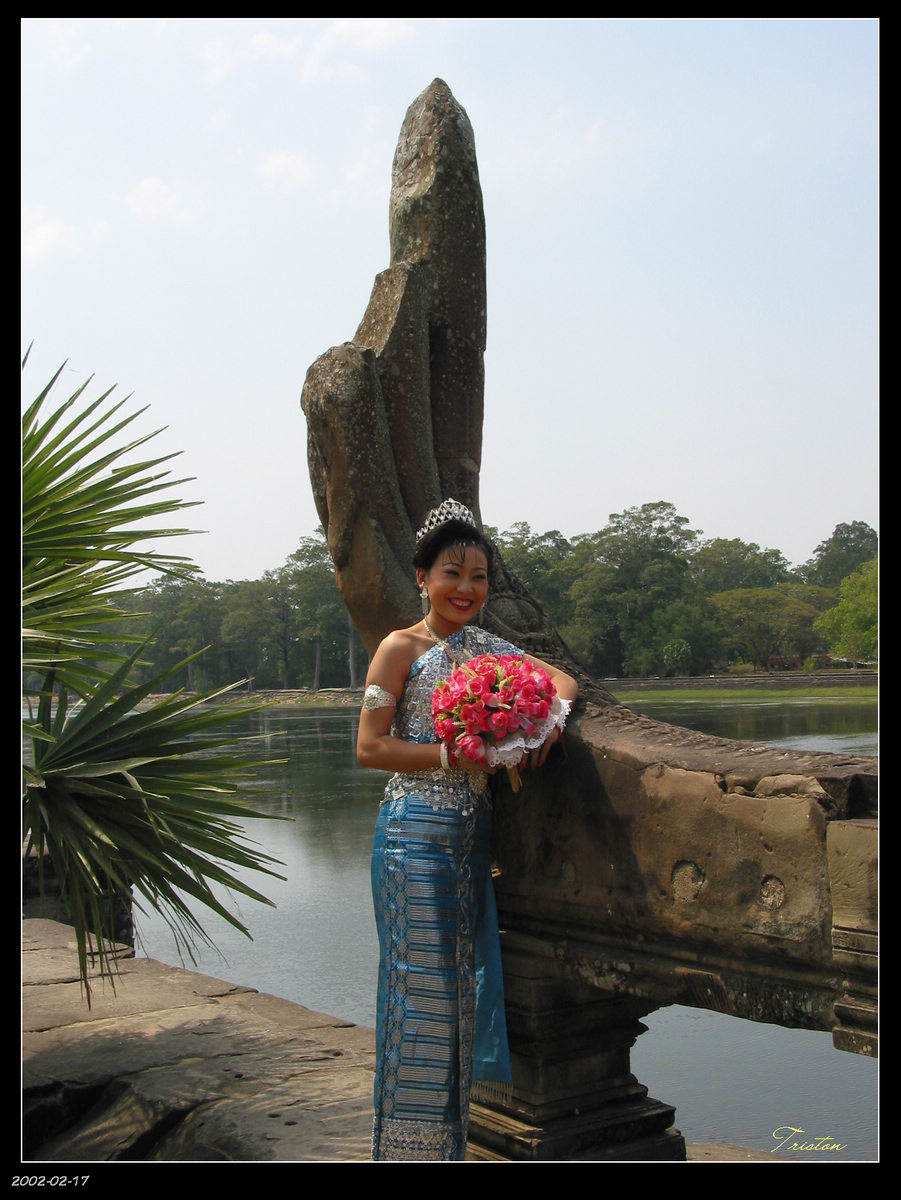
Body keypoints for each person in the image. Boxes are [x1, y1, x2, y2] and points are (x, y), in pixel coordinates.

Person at [357, 498, 579, 1161]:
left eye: (478, 577)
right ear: (421, 577)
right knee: (417, 992)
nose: (466, 589)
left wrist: (549, 720)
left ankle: (445, 1151)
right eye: (452, 573)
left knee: (458, 998)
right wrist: (452, 757)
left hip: (468, 840)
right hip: (412, 836)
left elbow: (561, 678)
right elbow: (369, 748)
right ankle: (403, 1152)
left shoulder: (488, 651)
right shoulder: (399, 649)